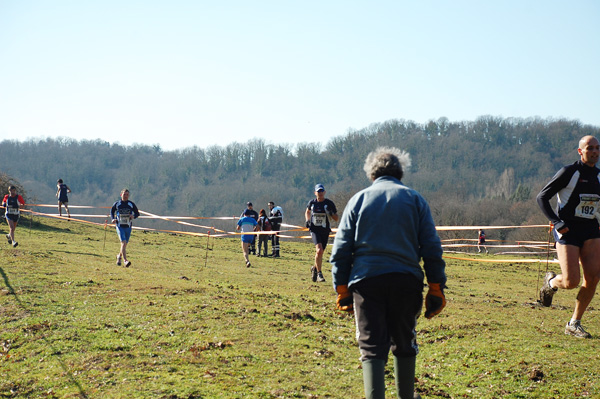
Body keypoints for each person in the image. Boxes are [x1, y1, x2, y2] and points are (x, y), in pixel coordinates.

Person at [330, 147, 446, 399]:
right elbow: (432, 248)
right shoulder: (415, 200)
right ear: (400, 173)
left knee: (371, 348)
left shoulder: (358, 200)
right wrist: (436, 287)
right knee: (405, 342)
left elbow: (340, 250)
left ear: (371, 175)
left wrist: (341, 289)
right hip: (406, 282)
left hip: (366, 282)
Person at [537, 135, 600, 339]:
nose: (595, 152)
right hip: (568, 230)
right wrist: (556, 222)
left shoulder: (599, 176)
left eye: (597, 148)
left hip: (590, 229)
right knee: (572, 281)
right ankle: (552, 282)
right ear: (580, 151)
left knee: (593, 277)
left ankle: (574, 323)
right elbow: (542, 197)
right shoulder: (569, 172)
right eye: (590, 148)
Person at [305, 184, 339, 282]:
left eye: (321, 191)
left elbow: (336, 218)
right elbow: (307, 211)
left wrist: (330, 213)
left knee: (320, 253)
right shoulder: (312, 203)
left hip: (325, 231)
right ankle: (320, 274)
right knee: (319, 251)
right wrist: (307, 221)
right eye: (318, 191)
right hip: (314, 230)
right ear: (315, 193)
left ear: (324, 192)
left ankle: (315, 268)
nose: (320, 193)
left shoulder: (329, 203)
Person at [110, 189, 140, 267]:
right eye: (124, 194)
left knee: (125, 244)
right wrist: (113, 219)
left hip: (128, 226)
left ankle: (119, 256)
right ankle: (125, 261)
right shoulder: (117, 204)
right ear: (121, 195)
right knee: (123, 242)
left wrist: (133, 216)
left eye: (127, 194)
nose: (125, 196)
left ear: (128, 196)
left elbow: (137, 213)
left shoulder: (131, 204)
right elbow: (112, 211)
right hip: (119, 226)